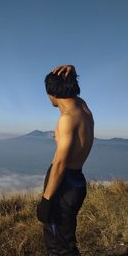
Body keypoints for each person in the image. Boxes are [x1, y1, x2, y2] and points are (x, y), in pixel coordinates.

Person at [36, 64, 95, 255]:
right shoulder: (83, 106)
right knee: (66, 239)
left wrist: (46, 200)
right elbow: (74, 92)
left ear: (52, 92)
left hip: (64, 185)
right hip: (78, 181)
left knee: (57, 245)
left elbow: (60, 163)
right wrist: (72, 69)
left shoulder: (67, 118)